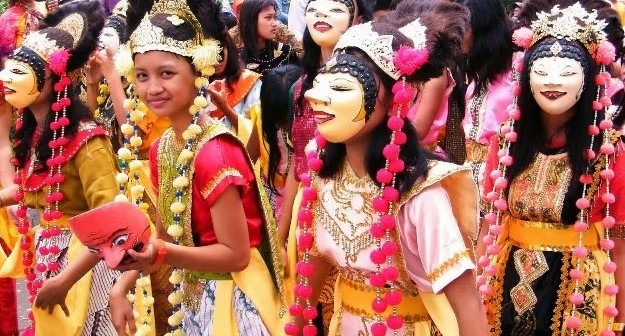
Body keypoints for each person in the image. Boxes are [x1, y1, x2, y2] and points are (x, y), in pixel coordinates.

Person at [285, 1, 488, 335]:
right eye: (321, 83)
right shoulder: (323, 178)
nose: (318, 97)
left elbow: (467, 304)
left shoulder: (420, 194)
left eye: (341, 88)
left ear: (394, 101)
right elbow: (313, 271)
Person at [108, 0, 287, 334]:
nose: (152, 88)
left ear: (199, 72)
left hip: (234, 298)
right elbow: (161, 236)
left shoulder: (214, 152)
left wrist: (160, 254)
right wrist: (123, 284)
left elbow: (236, 256)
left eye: (167, 73)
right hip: (192, 293)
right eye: (142, 76)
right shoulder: (165, 147)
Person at [477, 0, 625, 334]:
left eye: (567, 73)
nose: (552, 82)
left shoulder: (608, 149)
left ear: (589, 78)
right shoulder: (506, 141)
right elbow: (490, 223)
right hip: (505, 277)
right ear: (526, 75)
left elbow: (620, 235)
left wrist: (621, 317)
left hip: (578, 286)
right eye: (541, 72)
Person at [0, 1, 124, 335]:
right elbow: (28, 189)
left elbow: (113, 222)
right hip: (49, 264)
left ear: (51, 79)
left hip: (85, 270)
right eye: (9, 68)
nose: (7, 78)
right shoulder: (36, 134)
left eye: (19, 70)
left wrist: (66, 280)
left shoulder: (87, 140)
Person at [460, 0, 515, 200]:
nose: (460, 33)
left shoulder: (515, 78)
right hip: (469, 176)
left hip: (498, 180)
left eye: (465, 26)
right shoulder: (478, 77)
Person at [236, 0, 300, 75]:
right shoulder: (235, 58)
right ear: (251, 20)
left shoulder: (285, 52)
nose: (275, 23)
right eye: (268, 17)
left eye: (274, 17)